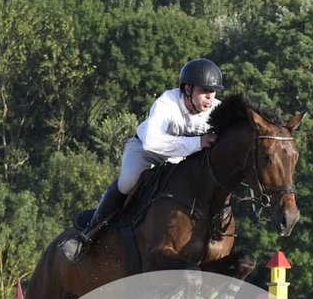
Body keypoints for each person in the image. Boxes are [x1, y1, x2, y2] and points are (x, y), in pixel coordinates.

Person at [59, 58, 223, 261]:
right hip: (146, 151)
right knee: (128, 180)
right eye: (204, 90)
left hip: (182, 160)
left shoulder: (216, 110)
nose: (209, 97)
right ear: (187, 89)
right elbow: (152, 142)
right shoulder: (167, 103)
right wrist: (198, 142)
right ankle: (88, 234)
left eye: (213, 91)